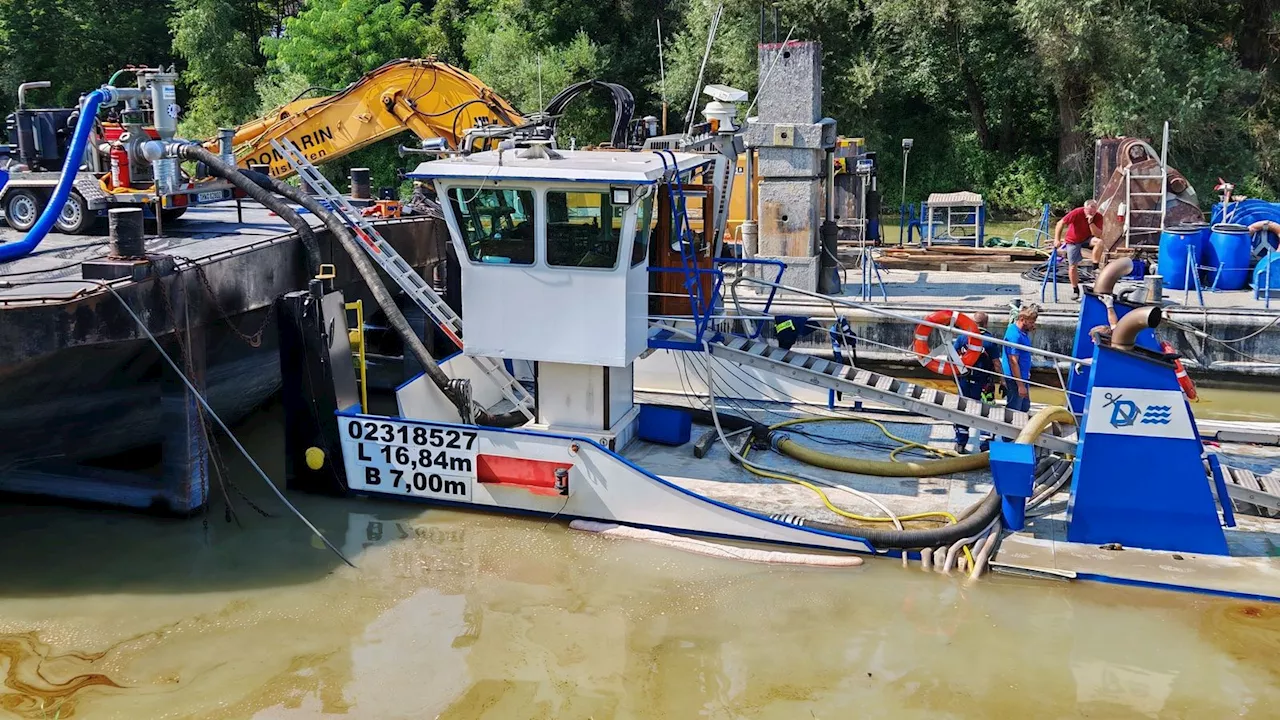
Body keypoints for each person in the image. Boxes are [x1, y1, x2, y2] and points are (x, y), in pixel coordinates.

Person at [952, 312, 997, 455]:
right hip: (984, 384)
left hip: (964, 381)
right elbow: (996, 364)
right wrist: (1003, 381)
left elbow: (952, 355)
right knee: (986, 412)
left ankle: (960, 442)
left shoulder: (963, 337)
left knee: (962, 410)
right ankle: (985, 444)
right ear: (986, 323)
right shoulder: (990, 341)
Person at [1052, 199, 1103, 301]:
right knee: (1072, 266)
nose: (1092, 211)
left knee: (1099, 242)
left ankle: (1095, 266)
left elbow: (1098, 234)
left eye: (1094, 209)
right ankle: (1075, 290)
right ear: (1085, 208)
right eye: (1090, 209)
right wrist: (1057, 239)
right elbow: (1060, 223)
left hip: (1086, 238)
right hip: (1073, 240)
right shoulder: (1077, 212)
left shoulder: (1098, 217)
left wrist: (1091, 222)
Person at [1002, 306, 1038, 413]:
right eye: (1031, 322)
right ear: (1022, 320)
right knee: (1015, 409)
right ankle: (1008, 428)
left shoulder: (1020, 331)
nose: (1033, 325)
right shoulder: (1015, 336)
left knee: (1024, 407)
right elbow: (1013, 361)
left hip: (1023, 376)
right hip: (1015, 379)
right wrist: (1020, 385)